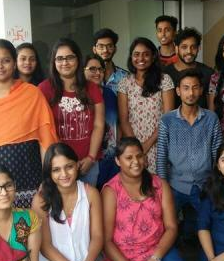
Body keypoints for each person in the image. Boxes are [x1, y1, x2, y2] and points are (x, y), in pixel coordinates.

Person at [102, 138, 192, 261]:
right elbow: (106, 241)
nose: (136, 162)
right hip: (125, 260)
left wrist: (155, 259)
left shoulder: (159, 185)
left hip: (157, 250)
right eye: (128, 158)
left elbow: (171, 227)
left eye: (139, 156)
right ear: (118, 161)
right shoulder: (111, 191)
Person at [0, 39, 57, 210]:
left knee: (28, 226)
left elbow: (45, 140)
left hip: (27, 178)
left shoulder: (31, 94)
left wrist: (47, 180)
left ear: (14, 63)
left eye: (6, 60)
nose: (0, 66)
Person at [156, 69, 222, 237]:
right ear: (178, 91)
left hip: (205, 184)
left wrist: (216, 184)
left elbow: (218, 154)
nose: (190, 93)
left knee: (209, 227)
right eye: (186, 88)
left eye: (195, 87)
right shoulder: (167, 120)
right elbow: (161, 157)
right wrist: (163, 188)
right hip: (175, 184)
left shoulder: (211, 119)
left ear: (201, 90)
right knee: (166, 228)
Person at [38, 38, 105, 186]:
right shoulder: (43, 89)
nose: (65, 62)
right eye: (60, 58)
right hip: (59, 166)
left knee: (88, 199)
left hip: (87, 163)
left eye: (70, 57)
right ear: (54, 62)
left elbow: (99, 125)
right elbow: (42, 130)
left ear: (78, 59)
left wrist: (91, 157)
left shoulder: (92, 88)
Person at [118, 37, 175, 173]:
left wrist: (146, 146)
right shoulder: (124, 83)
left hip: (159, 143)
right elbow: (124, 120)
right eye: (136, 54)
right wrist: (137, 149)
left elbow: (168, 119)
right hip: (133, 146)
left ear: (153, 56)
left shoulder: (164, 80)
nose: (141, 58)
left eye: (146, 54)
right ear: (131, 57)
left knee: (158, 182)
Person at [83, 53, 120, 188]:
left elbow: (116, 125)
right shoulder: (79, 96)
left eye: (100, 69)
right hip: (89, 161)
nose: (98, 73)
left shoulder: (110, 94)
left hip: (111, 159)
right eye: (92, 69)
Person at [161, 27, 214, 108]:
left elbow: (211, 108)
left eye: (193, 47)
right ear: (176, 48)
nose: (189, 51)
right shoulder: (166, 74)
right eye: (184, 47)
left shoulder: (208, 73)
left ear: (199, 48)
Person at [91, 28, 127, 93]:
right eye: (101, 46)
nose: (105, 50)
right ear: (94, 50)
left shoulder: (125, 77)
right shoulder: (88, 76)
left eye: (109, 46)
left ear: (115, 49)